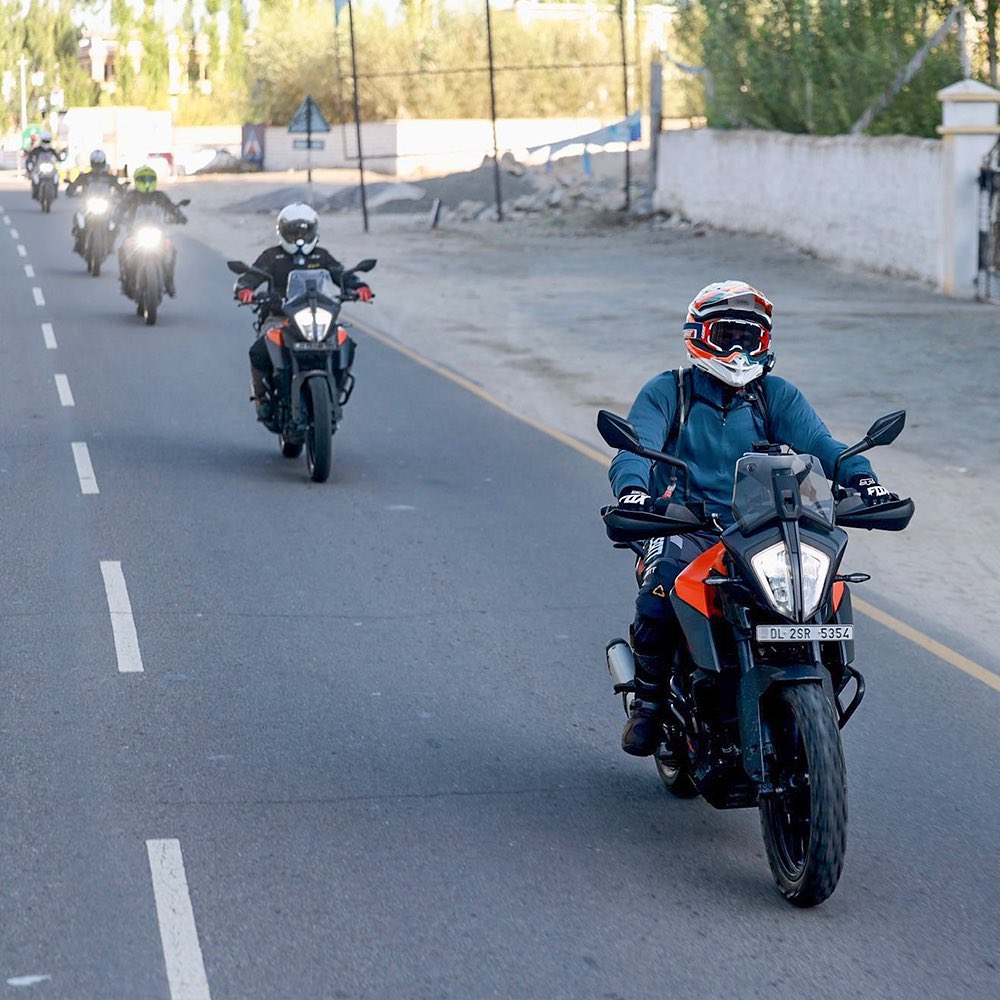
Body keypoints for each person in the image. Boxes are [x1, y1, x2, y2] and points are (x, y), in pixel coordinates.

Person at [609, 280, 902, 756]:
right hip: (685, 525)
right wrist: (635, 492)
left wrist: (863, 480)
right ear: (698, 335)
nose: (739, 349)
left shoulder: (775, 396)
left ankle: (818, 683)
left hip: (762, 528)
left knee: (821, 591)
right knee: (660, 588)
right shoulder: (669, 391)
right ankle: (649, 704)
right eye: (727, 335)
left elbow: (823, 446)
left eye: (751, 337)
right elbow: (632, 449)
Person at [233, 203, 373, 420]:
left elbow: (341, 275)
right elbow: (250, 277)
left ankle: (336, 389)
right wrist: (245, 289)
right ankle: (262, 398)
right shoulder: (271, 256)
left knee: (347, 343)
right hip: (280, 317)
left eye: (304, 231)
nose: (299, 237)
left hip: (318, 315)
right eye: (294, 231)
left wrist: (359, 287)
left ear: (314, 231)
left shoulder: (321, 256)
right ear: (282, 232)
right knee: (259, 351)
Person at [116, 165, 187, 297]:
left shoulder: (160, 196)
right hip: (135, 232)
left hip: (157, 232)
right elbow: (120, 209)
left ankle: (169, 280)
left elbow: (171, 207)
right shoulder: (131, 196)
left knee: (171, 250)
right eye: (143, 179)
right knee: (122, 250)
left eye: (149, 179)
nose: (146, 182)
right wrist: (117, 217)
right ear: (137, 180)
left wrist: (179, 216)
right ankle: (125, 280)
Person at [65, 150, 126, 253]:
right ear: (92, 163)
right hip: (88, 206)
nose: (97, 166)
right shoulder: (85, 176)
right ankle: (79, 242)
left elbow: (119, 189)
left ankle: (110, 244)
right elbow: (74, 185)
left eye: (99, 164)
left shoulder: (109, 177)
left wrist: (121, 195)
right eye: (96, 164)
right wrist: (71, 190)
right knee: (78, 218)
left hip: (105, 206)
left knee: (115, 223)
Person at [24, 131, 61, 201]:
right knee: (34, 177)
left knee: (56, 177)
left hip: (50, 168)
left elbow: (58, 158)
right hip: (39, 169)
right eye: (45, 140)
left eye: (48, 141)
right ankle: (35, 192)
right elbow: (30, 158)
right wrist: (30, 166)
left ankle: (55, 192)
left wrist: (60, 159)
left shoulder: (52, 150)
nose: (46, 142)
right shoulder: (37, 150)